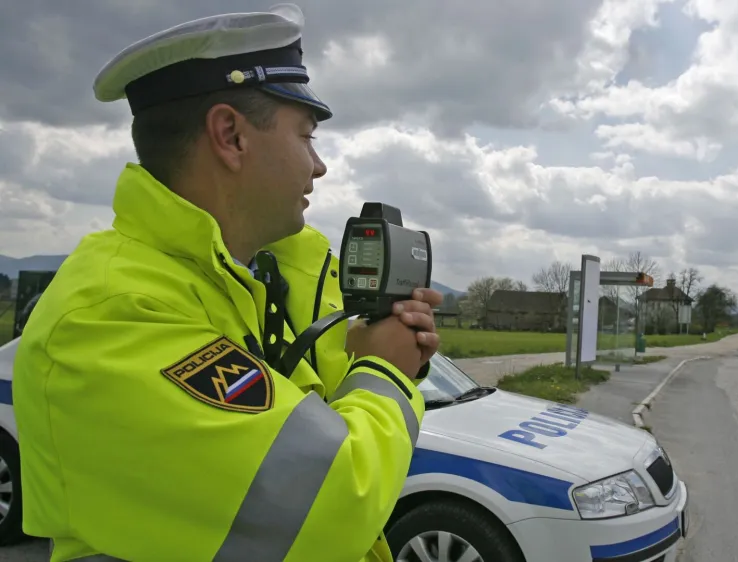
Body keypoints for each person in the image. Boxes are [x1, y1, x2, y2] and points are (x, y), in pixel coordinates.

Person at [11, 4, 442, 561]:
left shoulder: (238, 280)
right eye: (307, 137)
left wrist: (388, 346)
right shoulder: (111, 314)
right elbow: (334, 502)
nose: (319, 166)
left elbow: (308, 418)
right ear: (231, 135)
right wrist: (384, 372)